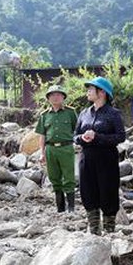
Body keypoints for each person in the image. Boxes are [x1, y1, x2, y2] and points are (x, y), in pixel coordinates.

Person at [74, 77, 126, 234]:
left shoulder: (113, 114)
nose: (88, 91)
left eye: (91, 88)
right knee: (88, 192)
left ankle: (110, 231)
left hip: (106, 159)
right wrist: (82, 138)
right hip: (87, 159)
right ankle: (94, 230)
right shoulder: (84, 113)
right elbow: (75, 136)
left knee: (108, 192)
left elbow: (120, 137)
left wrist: (98, 137)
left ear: (102, 92)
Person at [35, 85, 78, 213]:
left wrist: (78, 143)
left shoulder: (70, 112)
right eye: (52, 95)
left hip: (66, 148)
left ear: (63, 97)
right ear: (48, 98)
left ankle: (71, 208)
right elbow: (42, 135)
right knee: (54, 178)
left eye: (58, 94)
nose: (55, 97)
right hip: (50, 149)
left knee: (69, 178)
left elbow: (77, 129)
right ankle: (60, 208)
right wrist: (41, 153)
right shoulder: (44, 115)